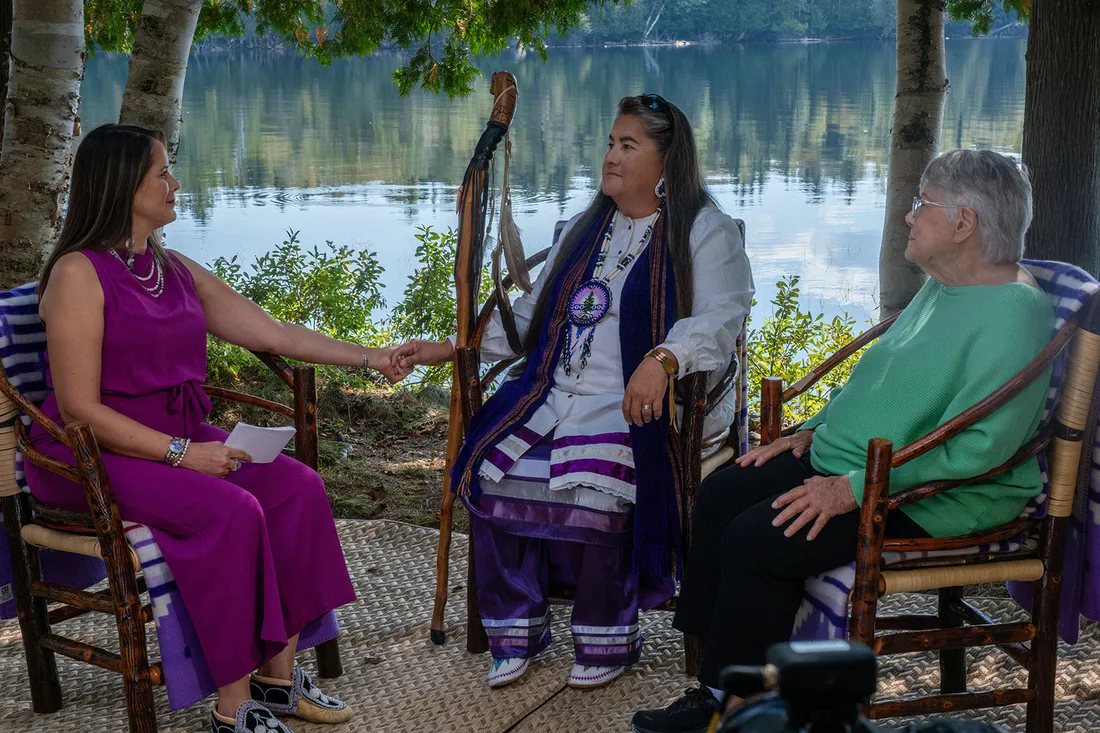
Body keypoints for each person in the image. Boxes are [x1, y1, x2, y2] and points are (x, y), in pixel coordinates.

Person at [631, 149, 1055, 733]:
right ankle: (717, 687)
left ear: (964, 224)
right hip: (858, 464)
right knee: (725, 495)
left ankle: (742, 709)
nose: (909, 216)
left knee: (760, 538)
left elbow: (982, 447)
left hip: (936, 493)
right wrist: (810, 431)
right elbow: (877, 380)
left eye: (920, 204)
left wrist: (852, 489)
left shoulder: (1016, 312)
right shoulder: (943, 285)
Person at [25, 124, 401, 733]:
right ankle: (233, 708)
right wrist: (182, 454)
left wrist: (372, 357)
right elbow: (78, 411)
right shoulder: (78, 274)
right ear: (123, 184)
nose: (175, 184)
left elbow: (272, 334)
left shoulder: (170, 266)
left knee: (296, 487)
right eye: (162, 173)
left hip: (174, 437)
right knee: (231, 510)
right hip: (87, 456)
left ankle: (278, 682)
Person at [393, 94, 754, 690]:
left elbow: (719, 322)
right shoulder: (584, 230)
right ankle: (516, 630)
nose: (610, 156)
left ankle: (605, 637)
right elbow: (531, 322)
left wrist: (663, 360)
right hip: (551, 394)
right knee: (491, 473)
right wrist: (446, 348)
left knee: (598, 487)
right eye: (611, 143)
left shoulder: (704, 232)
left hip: (640, 406)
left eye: (627, 145)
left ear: (667, 161)